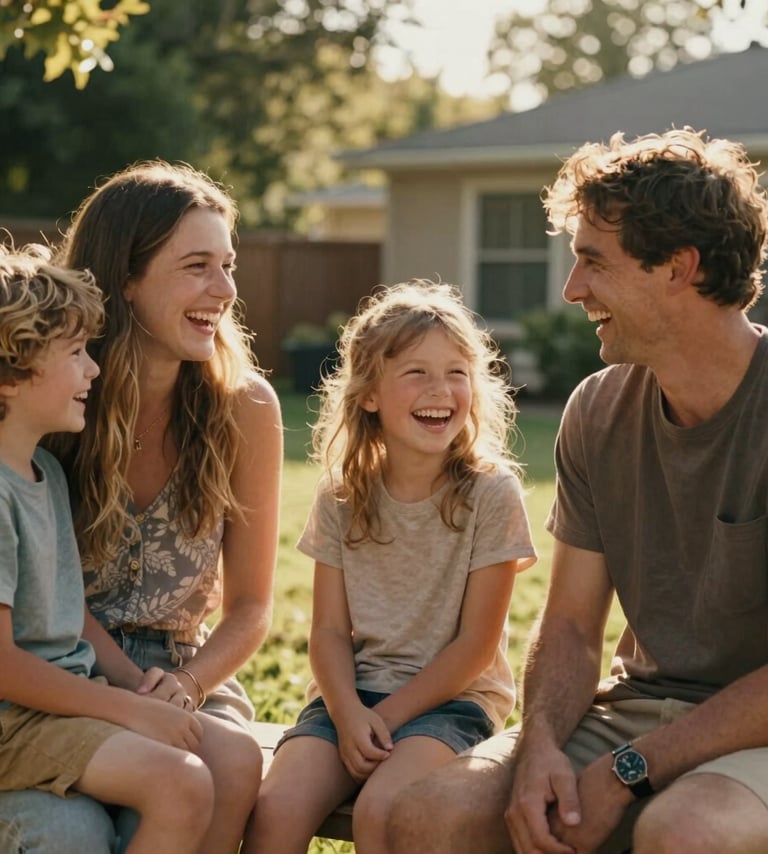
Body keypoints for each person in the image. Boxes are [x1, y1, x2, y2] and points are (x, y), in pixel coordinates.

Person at [386, 127, 768, 854]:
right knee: (429, 818)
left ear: (678, 269)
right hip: (638, 708)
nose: (572, 290)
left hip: (755, 729)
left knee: (684, 834)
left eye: (593, 262)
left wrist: (629, 771)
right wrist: (538, 753)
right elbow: (568, 626)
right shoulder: (598, 409)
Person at [0, 161, 283, 852]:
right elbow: (47, 610)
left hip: (183, 672)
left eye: (228, 264)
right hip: (60, 670)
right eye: (197, 266)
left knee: (224, 765)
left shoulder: (244, 410)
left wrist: (179, 687)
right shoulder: (57, 397)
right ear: (127, 277)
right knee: (74, 830)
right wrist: (122, 696)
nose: (224, 290)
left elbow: (251, 610)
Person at [243, 281, 536, 853]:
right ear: (370, 394)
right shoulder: (343, 495)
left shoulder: (492, 493)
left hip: (452, 705)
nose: (442, 390)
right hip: (349, 698)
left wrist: (389, 716)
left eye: (457, 372)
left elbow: (477, 646)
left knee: (385, 809)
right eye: (416, 373)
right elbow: (327, 631)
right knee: (274, 809)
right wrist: (349, 713)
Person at [0, 244, 215, 852]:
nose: (94, 370)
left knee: (212, 754)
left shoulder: (45, 470)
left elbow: (72, 621)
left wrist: (140, 689)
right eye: (75, 353)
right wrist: (126, 711)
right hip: (14, 722)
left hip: (60, 707)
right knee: (182, 785)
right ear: (11, 375)